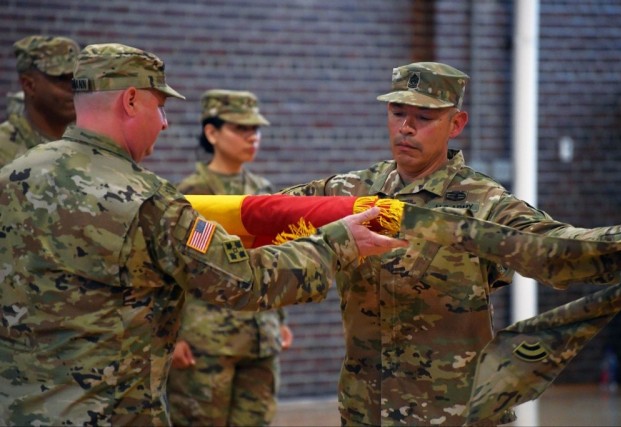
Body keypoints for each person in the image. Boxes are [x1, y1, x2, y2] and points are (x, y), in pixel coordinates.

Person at [0, 43, 406, 426]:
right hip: (108, 411)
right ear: (129, 101)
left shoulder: (13, 176)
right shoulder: (146, 201)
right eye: (159, 107)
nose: (164, 122)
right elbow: (241, 280)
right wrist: (337, 242)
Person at [281, 61, 621, 426]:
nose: (406, 128)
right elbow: (266, 215)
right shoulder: (349, 191)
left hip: (455, 412)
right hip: (365, 410)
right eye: (397, 112)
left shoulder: (483, 202)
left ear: (456, 124)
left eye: (424, 117)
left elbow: (553, 247)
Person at [167, 89, 293, 426]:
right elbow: (174, 267)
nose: (252, 137)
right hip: (206, 342)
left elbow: (271, 257)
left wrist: (278, 320)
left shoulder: (263, 190)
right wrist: (173, 334)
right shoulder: (192, 193)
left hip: (260, 339)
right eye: (241, 128)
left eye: (256, 129)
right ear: (212, 132)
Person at [0, 35, 80, 167]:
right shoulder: (5, 150)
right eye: (61, 79)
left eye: (78, 78)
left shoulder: (88, 143)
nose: (75, 88)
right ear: (29, 85)